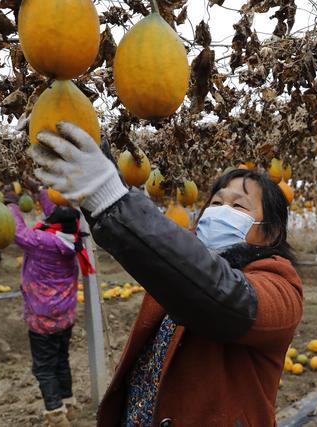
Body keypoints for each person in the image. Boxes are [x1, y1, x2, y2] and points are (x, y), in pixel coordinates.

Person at [29, 122, 303, 427]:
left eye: (238, 205)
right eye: (215, 202)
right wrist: (101, 204)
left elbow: (224, 296)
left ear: (272, 231)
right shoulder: (181, 263)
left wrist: (114, 199)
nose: (220, 210)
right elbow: (161, 248)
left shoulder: (283, 289)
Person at [4, 186, 88, 427]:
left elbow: (18, 232)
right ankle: (69, 405)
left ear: (53, 224)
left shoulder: (43, 241)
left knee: (43, 368)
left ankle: (56, 415)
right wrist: (40, 190)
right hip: (65, 316)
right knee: (61, 360)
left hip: (42, 320)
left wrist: (11, 204)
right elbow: (58, 211)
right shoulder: (70, 238)